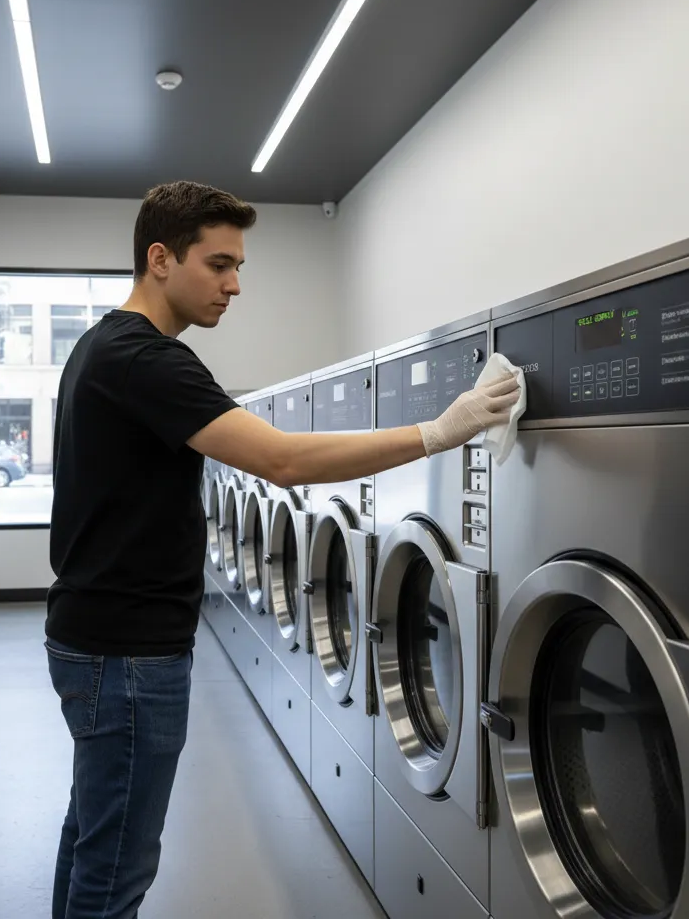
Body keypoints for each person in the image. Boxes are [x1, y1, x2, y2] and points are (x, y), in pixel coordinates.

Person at [44, 181, 520, 919]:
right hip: (128, 654)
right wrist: (439, 432)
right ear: (161, 259)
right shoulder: (148, 360)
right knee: (116, 868)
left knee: (92, 837)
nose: (235, 285)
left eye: (239, 266)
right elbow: (283, 463)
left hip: (96, 639)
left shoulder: (101, 347)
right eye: (219, 263)